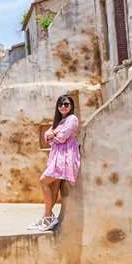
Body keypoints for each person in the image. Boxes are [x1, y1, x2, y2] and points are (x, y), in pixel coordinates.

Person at [29, 94, 80, 231]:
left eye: (66, 104)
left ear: (71, 106)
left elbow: (61, 138)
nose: (63, 107)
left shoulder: (72, 119)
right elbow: (47, 135)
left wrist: (54, 134)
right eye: (60, 104)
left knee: (44, 181)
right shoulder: (60, 121)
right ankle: (47, 217)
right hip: (56, 156)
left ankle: (47, 216)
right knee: (54, 187)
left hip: (65, 156)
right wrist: (54, 133)